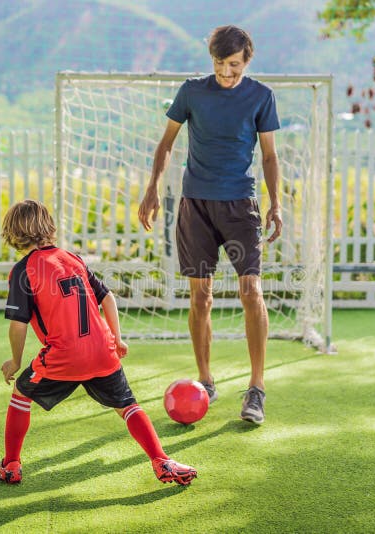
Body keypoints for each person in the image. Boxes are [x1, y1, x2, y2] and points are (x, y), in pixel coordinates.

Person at [0, 199, 197, 486]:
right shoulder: (73, 258)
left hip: (63, 356)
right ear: (48, 227)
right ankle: (162, 460)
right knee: (127, 406)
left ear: (11, 233)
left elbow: (18, 324)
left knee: (21, 394)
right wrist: (118, 338)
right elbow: (108, 297)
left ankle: (11, 463)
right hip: (102, 351)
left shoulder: (23, 271)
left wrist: (15, 361)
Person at [138, 25, 281, 425]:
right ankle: (205, 380)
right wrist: (152, 190)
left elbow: (270, 156)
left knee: (251, 290)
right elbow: (166, 143)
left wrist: (277, 203)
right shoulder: (191, 91)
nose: (225, 73)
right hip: (196, 206)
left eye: (233, 65)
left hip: (240, 207)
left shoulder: (261, 97)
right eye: (219, 64)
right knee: (200, 296)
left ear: (246, 61)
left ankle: (256, 388)